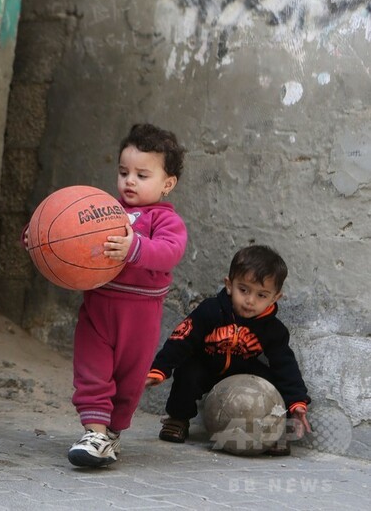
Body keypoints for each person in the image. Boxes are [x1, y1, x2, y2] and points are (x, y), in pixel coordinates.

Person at [24, 123, 187, 467]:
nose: (129, 180)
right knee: (91, 371)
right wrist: (38, 238)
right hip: (98, 306)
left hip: (140, 314)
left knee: (129, 382)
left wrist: (135, 246)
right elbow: (65, 230)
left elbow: (169, 252)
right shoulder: (100, 209)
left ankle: (112, 432)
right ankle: (94, 432)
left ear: (167, 184)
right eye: (124, 171)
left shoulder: (165, 220)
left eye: (142, 175)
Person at [145, 244, 311, 455]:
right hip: (207, 363)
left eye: (261, 295)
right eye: (244, 290)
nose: (250, 301)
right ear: (229, 285)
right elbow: (182, 339)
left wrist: (297, 401)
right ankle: (178, 419)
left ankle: (275, 432)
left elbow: (286, 366)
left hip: (244, 371)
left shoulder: (273, 330)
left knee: (272, 382)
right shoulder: (210, 311)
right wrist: (159, 369)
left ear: (275, 298)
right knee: (188, 372)